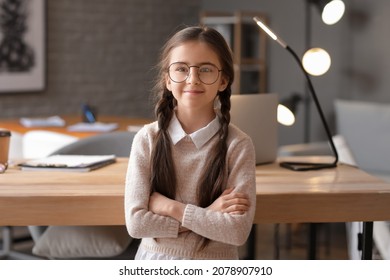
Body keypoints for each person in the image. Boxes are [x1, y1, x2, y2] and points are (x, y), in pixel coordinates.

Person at [125, 25, 256, 260]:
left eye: (205, 69)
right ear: (167, 79)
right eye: (181, 69)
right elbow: (137, 224)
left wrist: (171, 208)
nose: (192, 79)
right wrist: (209, 214)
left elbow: (237, 231)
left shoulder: (238, 145)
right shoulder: (147, 139)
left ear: (223, 80)